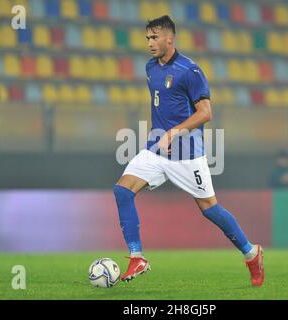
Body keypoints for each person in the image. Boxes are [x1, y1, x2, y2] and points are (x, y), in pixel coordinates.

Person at [113, 16, 264, 287]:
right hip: (156, 150)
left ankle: (251, 253)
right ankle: (137, 256)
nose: (149, 43)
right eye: (147, 38)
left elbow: (205, 113)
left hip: (187, 155)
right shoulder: (150, 68)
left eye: (154, 37)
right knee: (122, 191)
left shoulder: (189, 71)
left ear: (169, 39)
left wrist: (175, 132)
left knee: (209, 209)